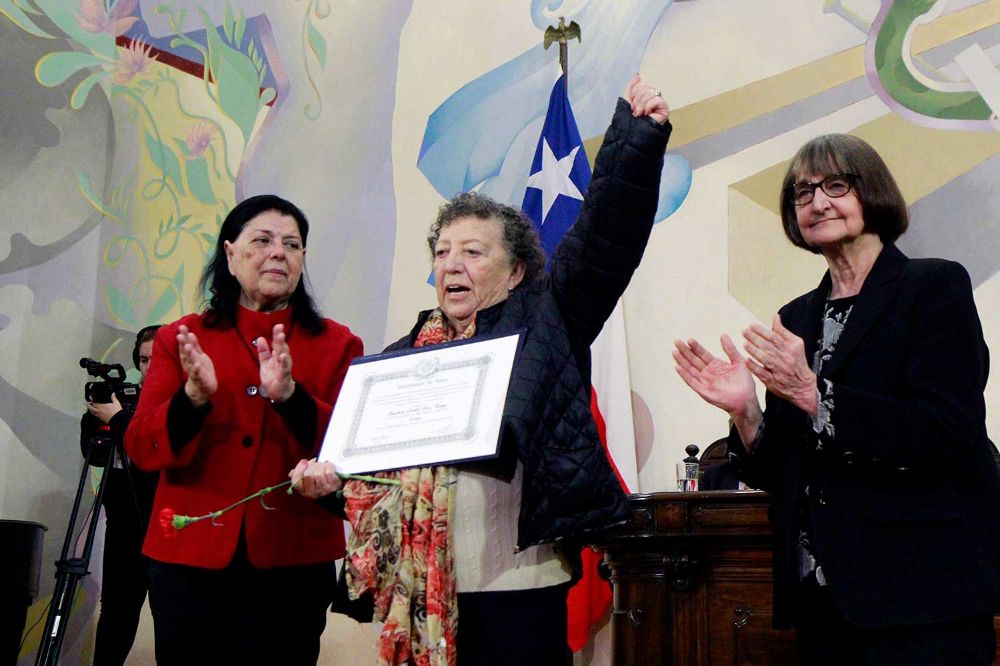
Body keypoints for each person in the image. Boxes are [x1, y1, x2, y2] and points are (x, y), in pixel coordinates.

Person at [291, 75, 671, 665]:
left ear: (516, 271)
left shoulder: (546, 323)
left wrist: (636, 141)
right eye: (442, 252)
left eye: (473, 252)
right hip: (424, 596)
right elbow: (367, 486)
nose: (452, 264)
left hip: (522, 591)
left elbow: (604, 239)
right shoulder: (401, 359)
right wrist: (326, 486)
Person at [673, 134, 1000, 665]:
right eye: (803, 193)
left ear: (872, 193)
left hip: (922, 597)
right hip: (823, 601)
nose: (818, 202)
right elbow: (788, 471)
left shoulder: (933, 286)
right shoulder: (796, 317)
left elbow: (946, 432)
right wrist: (747, 413)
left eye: (836, 185)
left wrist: (814, 393)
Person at [125, 195, 364, 665]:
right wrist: (192, 399)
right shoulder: (182, 338)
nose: (278, 252)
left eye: (292, 244)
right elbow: (140, 447)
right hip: (188, 561)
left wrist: (291, 397)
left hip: (293, 562)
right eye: (262, 240)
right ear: (230, 254)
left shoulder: (338, 343)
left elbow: (350, 453)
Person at [79, 325, 160, 666]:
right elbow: (95, 455)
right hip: (124, 525)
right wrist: (96, 419)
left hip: (166, 527)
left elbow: (158, 449)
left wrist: (120, 418)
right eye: (143, 359)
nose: (148, 367)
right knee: (117, 614)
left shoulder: (183, 405)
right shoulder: (125, 397)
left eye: (157, 359)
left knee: (172, 618)